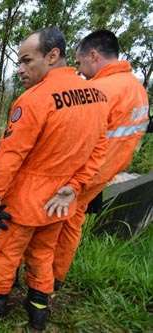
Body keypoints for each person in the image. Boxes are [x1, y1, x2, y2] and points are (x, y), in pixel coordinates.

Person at [0, 27, 109, 330]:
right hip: (58, 203)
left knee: (5, 253)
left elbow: (9, 158)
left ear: (52, 56)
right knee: (42, 254)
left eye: (27, 61)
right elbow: (100, 148)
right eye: (18, 63)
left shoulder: (34, 100)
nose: (21, 70)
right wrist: (74, 187)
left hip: (22, 203)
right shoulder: (97, 97)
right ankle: (38, 312)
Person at [45, 30, 150, 289]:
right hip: (108, 170)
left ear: (93, 55)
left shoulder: (98, 90)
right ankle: (56, 276)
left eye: (80, 64)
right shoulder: (136, 88)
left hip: (85, 170)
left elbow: (74, 135)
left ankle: (41, 280)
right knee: (73, 219)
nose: (80, 71)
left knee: (53, 219)